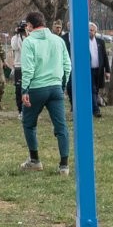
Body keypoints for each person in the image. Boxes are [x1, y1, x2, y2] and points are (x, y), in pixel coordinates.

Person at [19, 11, 72, 174]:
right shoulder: (58, 40)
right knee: (61, 126)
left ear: (30, 25)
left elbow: (28, 68)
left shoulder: (29, 42)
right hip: (55, 87)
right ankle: (64, 165)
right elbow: (67, 65)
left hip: (36, 88)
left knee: (29, 123)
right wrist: (62, 85)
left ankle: (35, 160)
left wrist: (24, 89)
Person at [88, 23, 109, 118]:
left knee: (96, 89)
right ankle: (96, 110)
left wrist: (107, 71)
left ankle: (93, 106)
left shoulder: (100, 42)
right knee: (92, 89)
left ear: (95, 31)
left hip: (99, 70)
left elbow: (104, 56)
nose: (90, 32)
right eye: (89, 30)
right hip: (89, 70)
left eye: (92, 30)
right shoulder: (84, 42)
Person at [9, 21, 27, 120]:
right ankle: (20, 110)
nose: (23, 30)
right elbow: (15, 47)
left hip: (28, 66)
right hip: (19, 66)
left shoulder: (30, 37)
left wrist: (27, 35)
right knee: (19, 89)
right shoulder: (15, 38)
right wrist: (17, 35)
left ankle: (29, 109)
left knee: (29, 88)